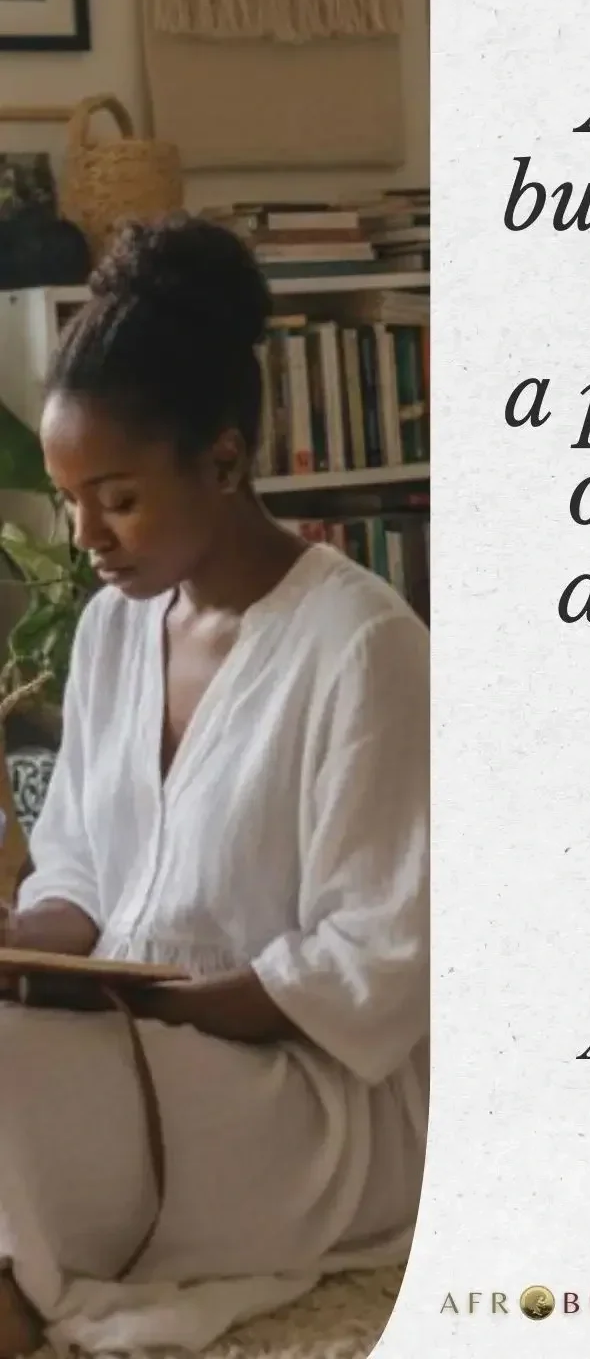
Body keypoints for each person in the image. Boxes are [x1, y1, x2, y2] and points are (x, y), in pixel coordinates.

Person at [0, 216, 429, 1356]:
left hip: (305, 1096)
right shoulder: (106, 629)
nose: (86, 534)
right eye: (70, 497)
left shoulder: (363, 645)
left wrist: (162, 1003)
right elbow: (81, 863)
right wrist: (29, 948)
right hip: (127, 1045)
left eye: (119, 497)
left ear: (227, 462)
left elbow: (377, 957)